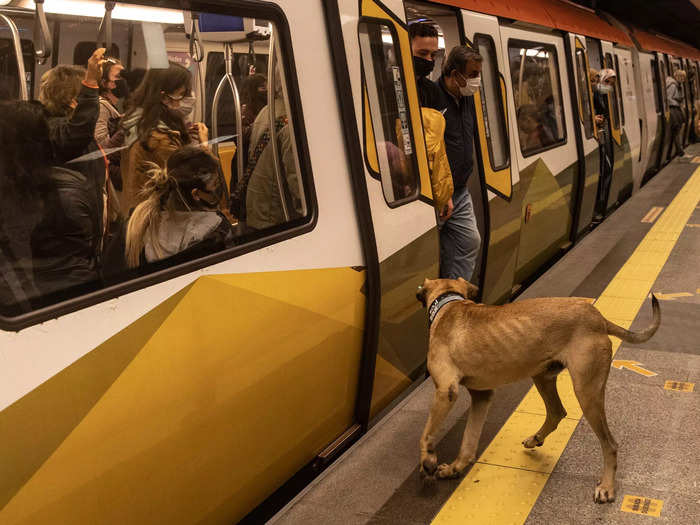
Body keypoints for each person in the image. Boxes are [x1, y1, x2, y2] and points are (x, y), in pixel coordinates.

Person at [0, 101, 101, 306]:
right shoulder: (74, 189)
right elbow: (91, 247)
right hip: (77, 300)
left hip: (28, 306)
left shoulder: (13, 197)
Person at [422, 45, 483, 282]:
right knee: (432, 253)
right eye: (472, 74)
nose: (476, 80)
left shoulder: (466, 98)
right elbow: (429, 148)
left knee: (469, 241)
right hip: (438, 192)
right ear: (454, 74)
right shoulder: (433, 97)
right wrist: (441, 190)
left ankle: (452, 302)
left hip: (459, 189)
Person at [39, 49, 109, 243]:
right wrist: (91, 82)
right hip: (69, 233)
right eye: (87, 95)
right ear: (73, 101)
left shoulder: (65, 130)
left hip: (83, 220)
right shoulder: (54, 130)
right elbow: (78, 132)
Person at [120, 62, 208, 217]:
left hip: (137, 210)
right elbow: (194, 179)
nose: (181, 101)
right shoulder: (159, 139)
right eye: (180, 94)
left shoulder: (137, 122)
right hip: (159, 218)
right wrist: (204, 144)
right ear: (164, 95)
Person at [124, 146, 233, 268]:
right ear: (196, 194)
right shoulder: (216, 231)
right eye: (215, 184)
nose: (217, 189)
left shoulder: (140, 221)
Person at [593, 68, 616, 220]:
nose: (608, 86)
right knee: (604, 168)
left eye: (611, 83)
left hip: (604, 135)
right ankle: (599, 205)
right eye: (606, 82)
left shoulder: (603, 96)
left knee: (607, 168)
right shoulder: (594, 95)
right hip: (600, 138)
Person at [409, 22, 441, 107]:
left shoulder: (431, 89)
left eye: (433, 55)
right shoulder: (386, 85)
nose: (429, 59)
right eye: (423, 53)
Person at [666, 69, 686, 157]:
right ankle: (679, 151)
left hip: (675, 109)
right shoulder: (673, 86)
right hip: (673, 109)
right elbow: (668, 98)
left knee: (677, 130)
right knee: (676, 130)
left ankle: (679, 150)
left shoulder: (676, 85)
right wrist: (677, 101)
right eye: (682, 78)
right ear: (678, 77)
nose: (683, 80)